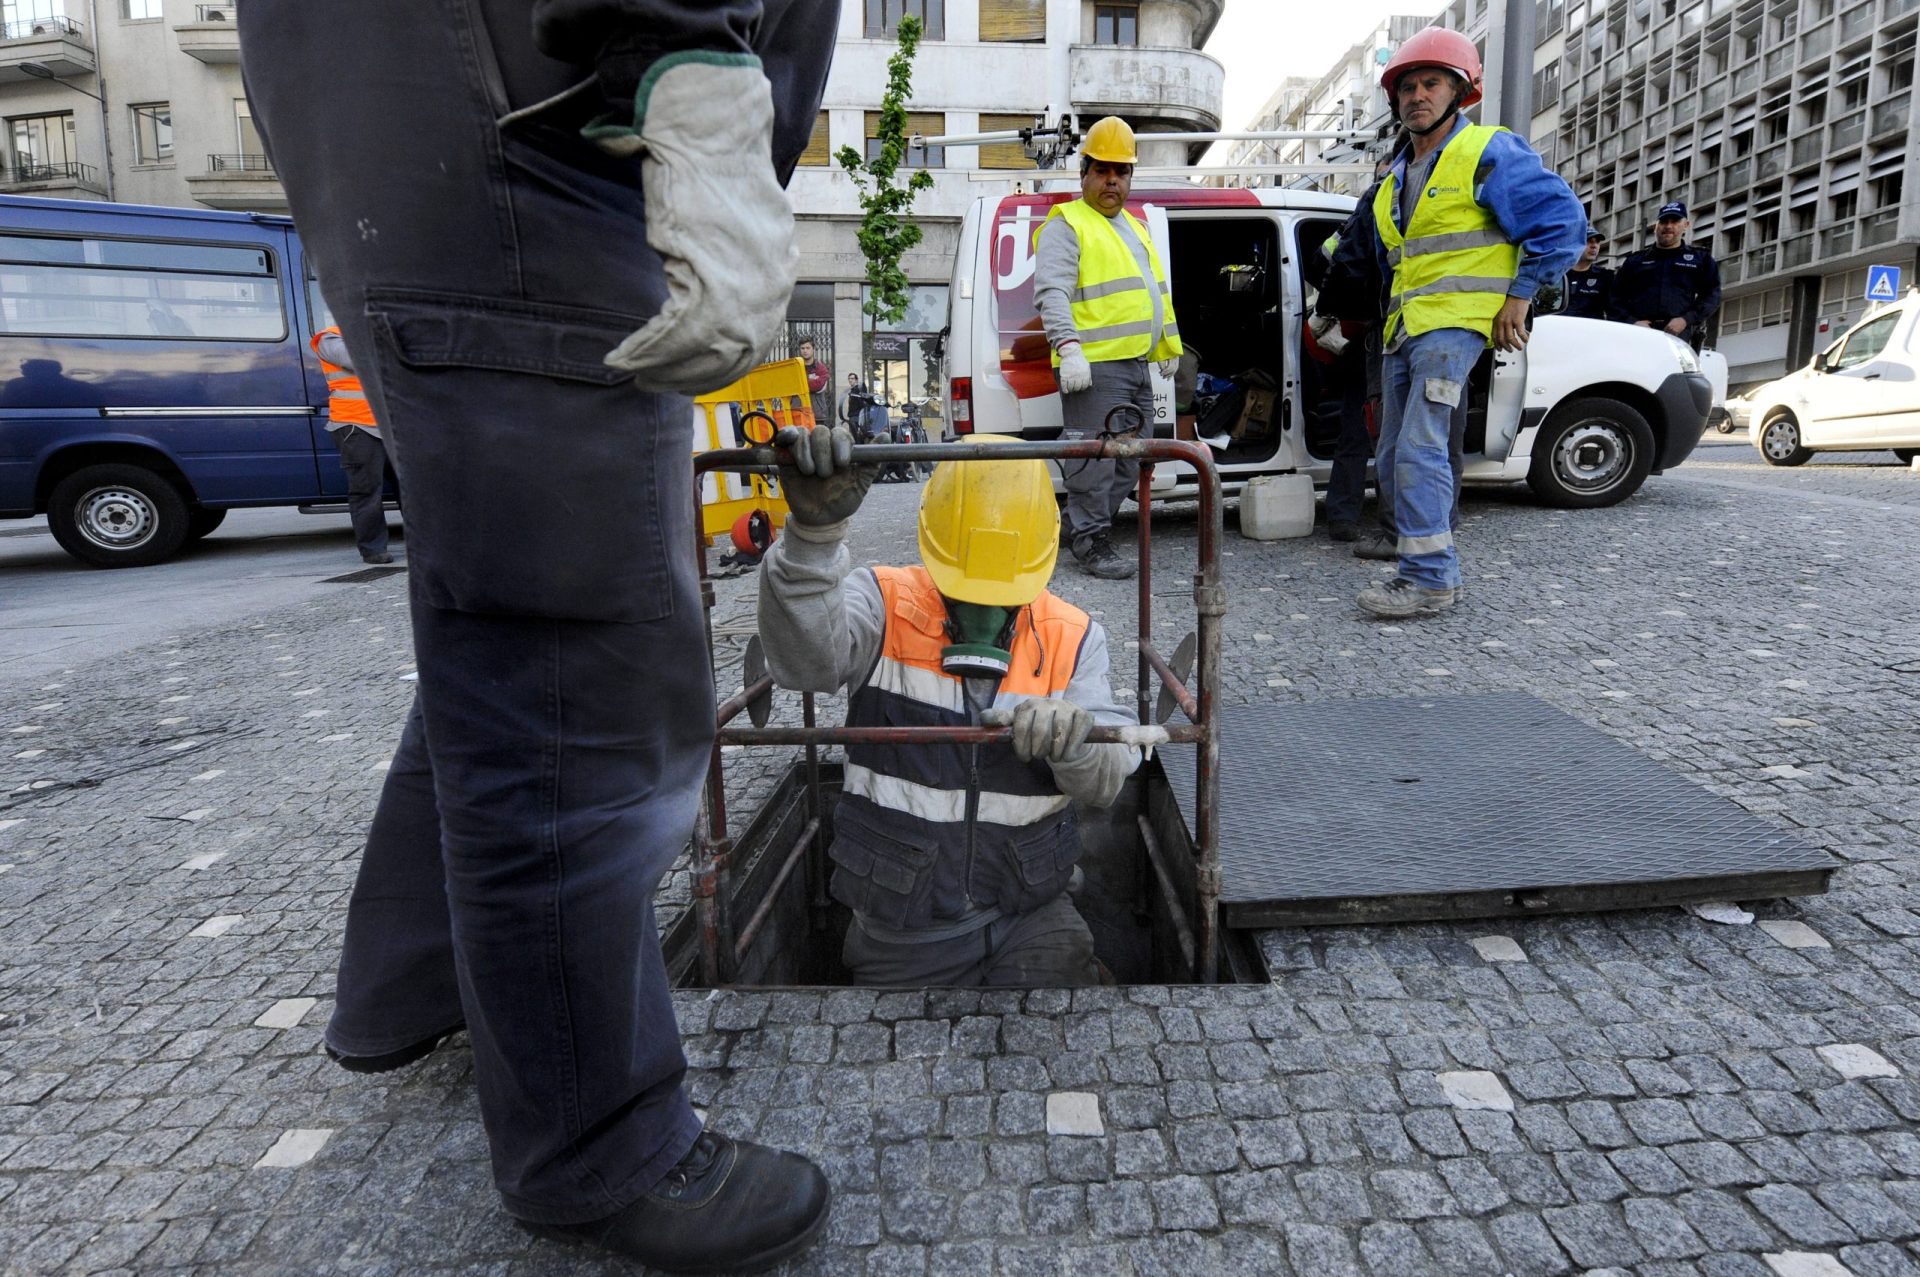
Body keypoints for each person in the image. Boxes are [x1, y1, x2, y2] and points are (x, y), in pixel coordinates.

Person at [237, 3, 836, 1273]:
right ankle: (595, 1141)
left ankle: (412, 983)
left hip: (458, 95)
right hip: (548, 109)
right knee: (581, 656)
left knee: (504, 587)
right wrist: (686, 50)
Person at [758, 425, 1140, 985]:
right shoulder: (882, 602)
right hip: (900, 927)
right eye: (963, 590)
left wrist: (1076, 742)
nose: (983, 610)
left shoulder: (1074, 635)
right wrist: (812, 539)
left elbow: (1105, 783)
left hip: (1032, 917)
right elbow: (804, 665)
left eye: (1003, 595)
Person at [1361, 26, 1585, 620]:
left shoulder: (1487, 151)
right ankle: (1422, 568)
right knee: (1391, 459)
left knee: (1418, 448)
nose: (1416, 95)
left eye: (1431, 83)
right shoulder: (1395, 181)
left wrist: (1521, 295)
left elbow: (1561, 222)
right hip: (1405, 333)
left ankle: (1431, 579)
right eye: (1407, 86)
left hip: (1453, 328)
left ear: (1461, 90)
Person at [1032, 115, 1182, 580]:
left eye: (1122, 171)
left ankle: (1089, 528)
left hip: (1136, 366)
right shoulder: (1068, 223)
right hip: (1095, 368)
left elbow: (1154, 291)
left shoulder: (1134, 226)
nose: (1113, 179)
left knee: (1130, 456)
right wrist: (1069, 347)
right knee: (1095, 460)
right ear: (1084, 173)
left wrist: (1167, 344)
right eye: (1103, 170)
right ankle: (1090, 538)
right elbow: (1051, 292)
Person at [311, 326, 394, 565]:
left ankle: (424, 545)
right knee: (367, 490)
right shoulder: (330, 338)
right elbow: (357, 359)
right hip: (357, 426)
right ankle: (373, 549)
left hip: (392, 423)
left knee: (411, 488)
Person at [1612, 200, 1722, 349]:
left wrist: (1685, 320)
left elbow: (1712, 295)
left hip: (1678, 336)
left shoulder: (1700, 259)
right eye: (1663, 221)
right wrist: (1632, 322)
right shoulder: (1635, 261)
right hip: (1638, 335)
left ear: (1686, 225)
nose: (1668, 226)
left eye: (1675, 221)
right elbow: (1614, 298)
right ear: (1655, 227)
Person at [1563, 225, 1614, 320]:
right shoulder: (1557, 274)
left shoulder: (1606, 277)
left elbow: (1615, 311)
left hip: (1590, 331)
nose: (1594, 246)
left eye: (1597, 242)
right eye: (1588, 241)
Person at [798, 336, 831, 425]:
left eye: (808, 348)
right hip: (798, 413)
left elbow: (819, 386)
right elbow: (791, 385)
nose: (805, 351)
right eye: (802, 348)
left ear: (813, 349)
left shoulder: (821, 368)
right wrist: (812, 381)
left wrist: (801, 383)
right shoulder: (795, 368)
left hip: (817, 415)